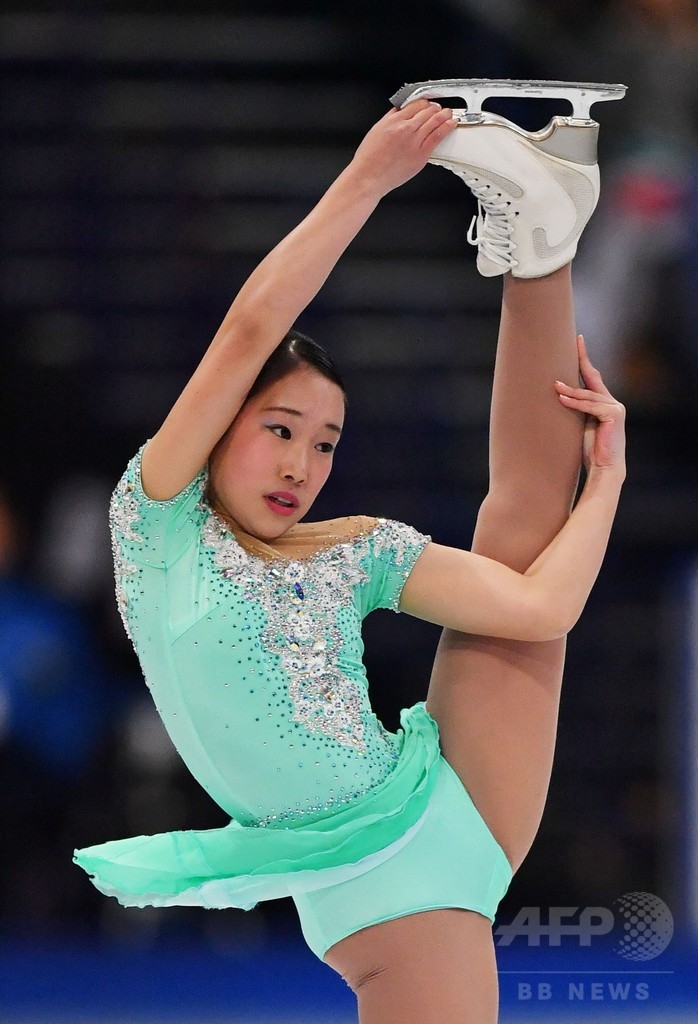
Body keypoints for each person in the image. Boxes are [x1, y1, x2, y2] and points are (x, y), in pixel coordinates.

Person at [74, 94, 626, 1023]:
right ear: (218, 424)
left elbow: (540, 609)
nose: (301, 465)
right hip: (387, 877)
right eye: (280, 429)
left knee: (524, 518)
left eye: (325, 443)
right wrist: (368, 178)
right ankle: (545, 232)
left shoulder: (351, 550)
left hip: (431, 825)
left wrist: (604, 480)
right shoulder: (157, 526)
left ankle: (543, 236)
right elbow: (250, 330)